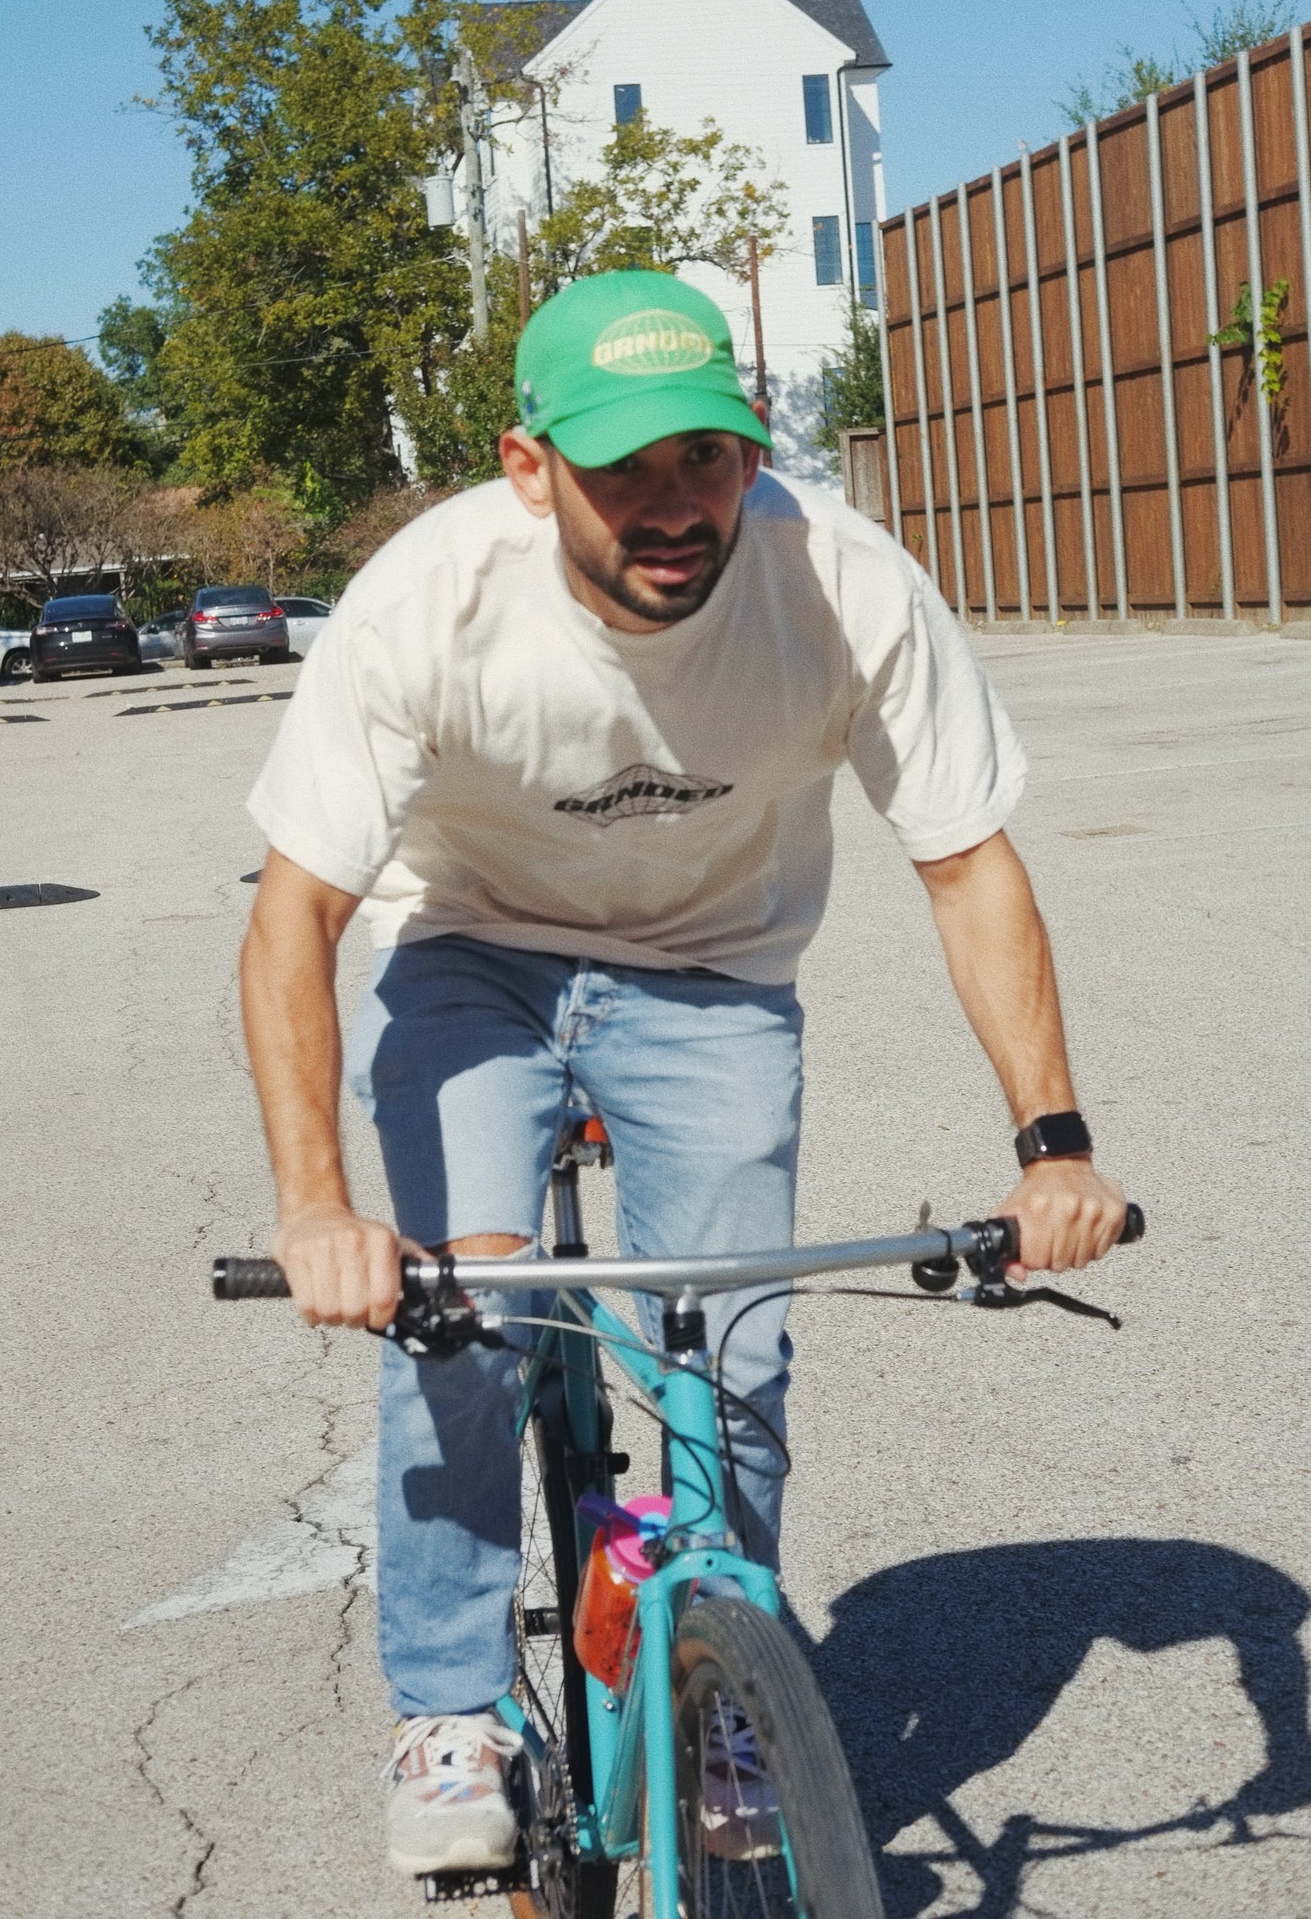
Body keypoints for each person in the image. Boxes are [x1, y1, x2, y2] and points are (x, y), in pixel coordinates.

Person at [239, 270, 1126, 1877]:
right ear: (527, 466)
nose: (673, 506)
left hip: (712, 970)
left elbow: (965, 862)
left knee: (731, 1342)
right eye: (624, 468)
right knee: (465, 1309)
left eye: (704, 458)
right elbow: (292, 915)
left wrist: (1052, 1143)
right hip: (468, 953)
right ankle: (451, 1711)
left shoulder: (836, 576)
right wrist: (319, 1209)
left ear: (749, 449)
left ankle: (729, 1679)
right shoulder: (424, 599)